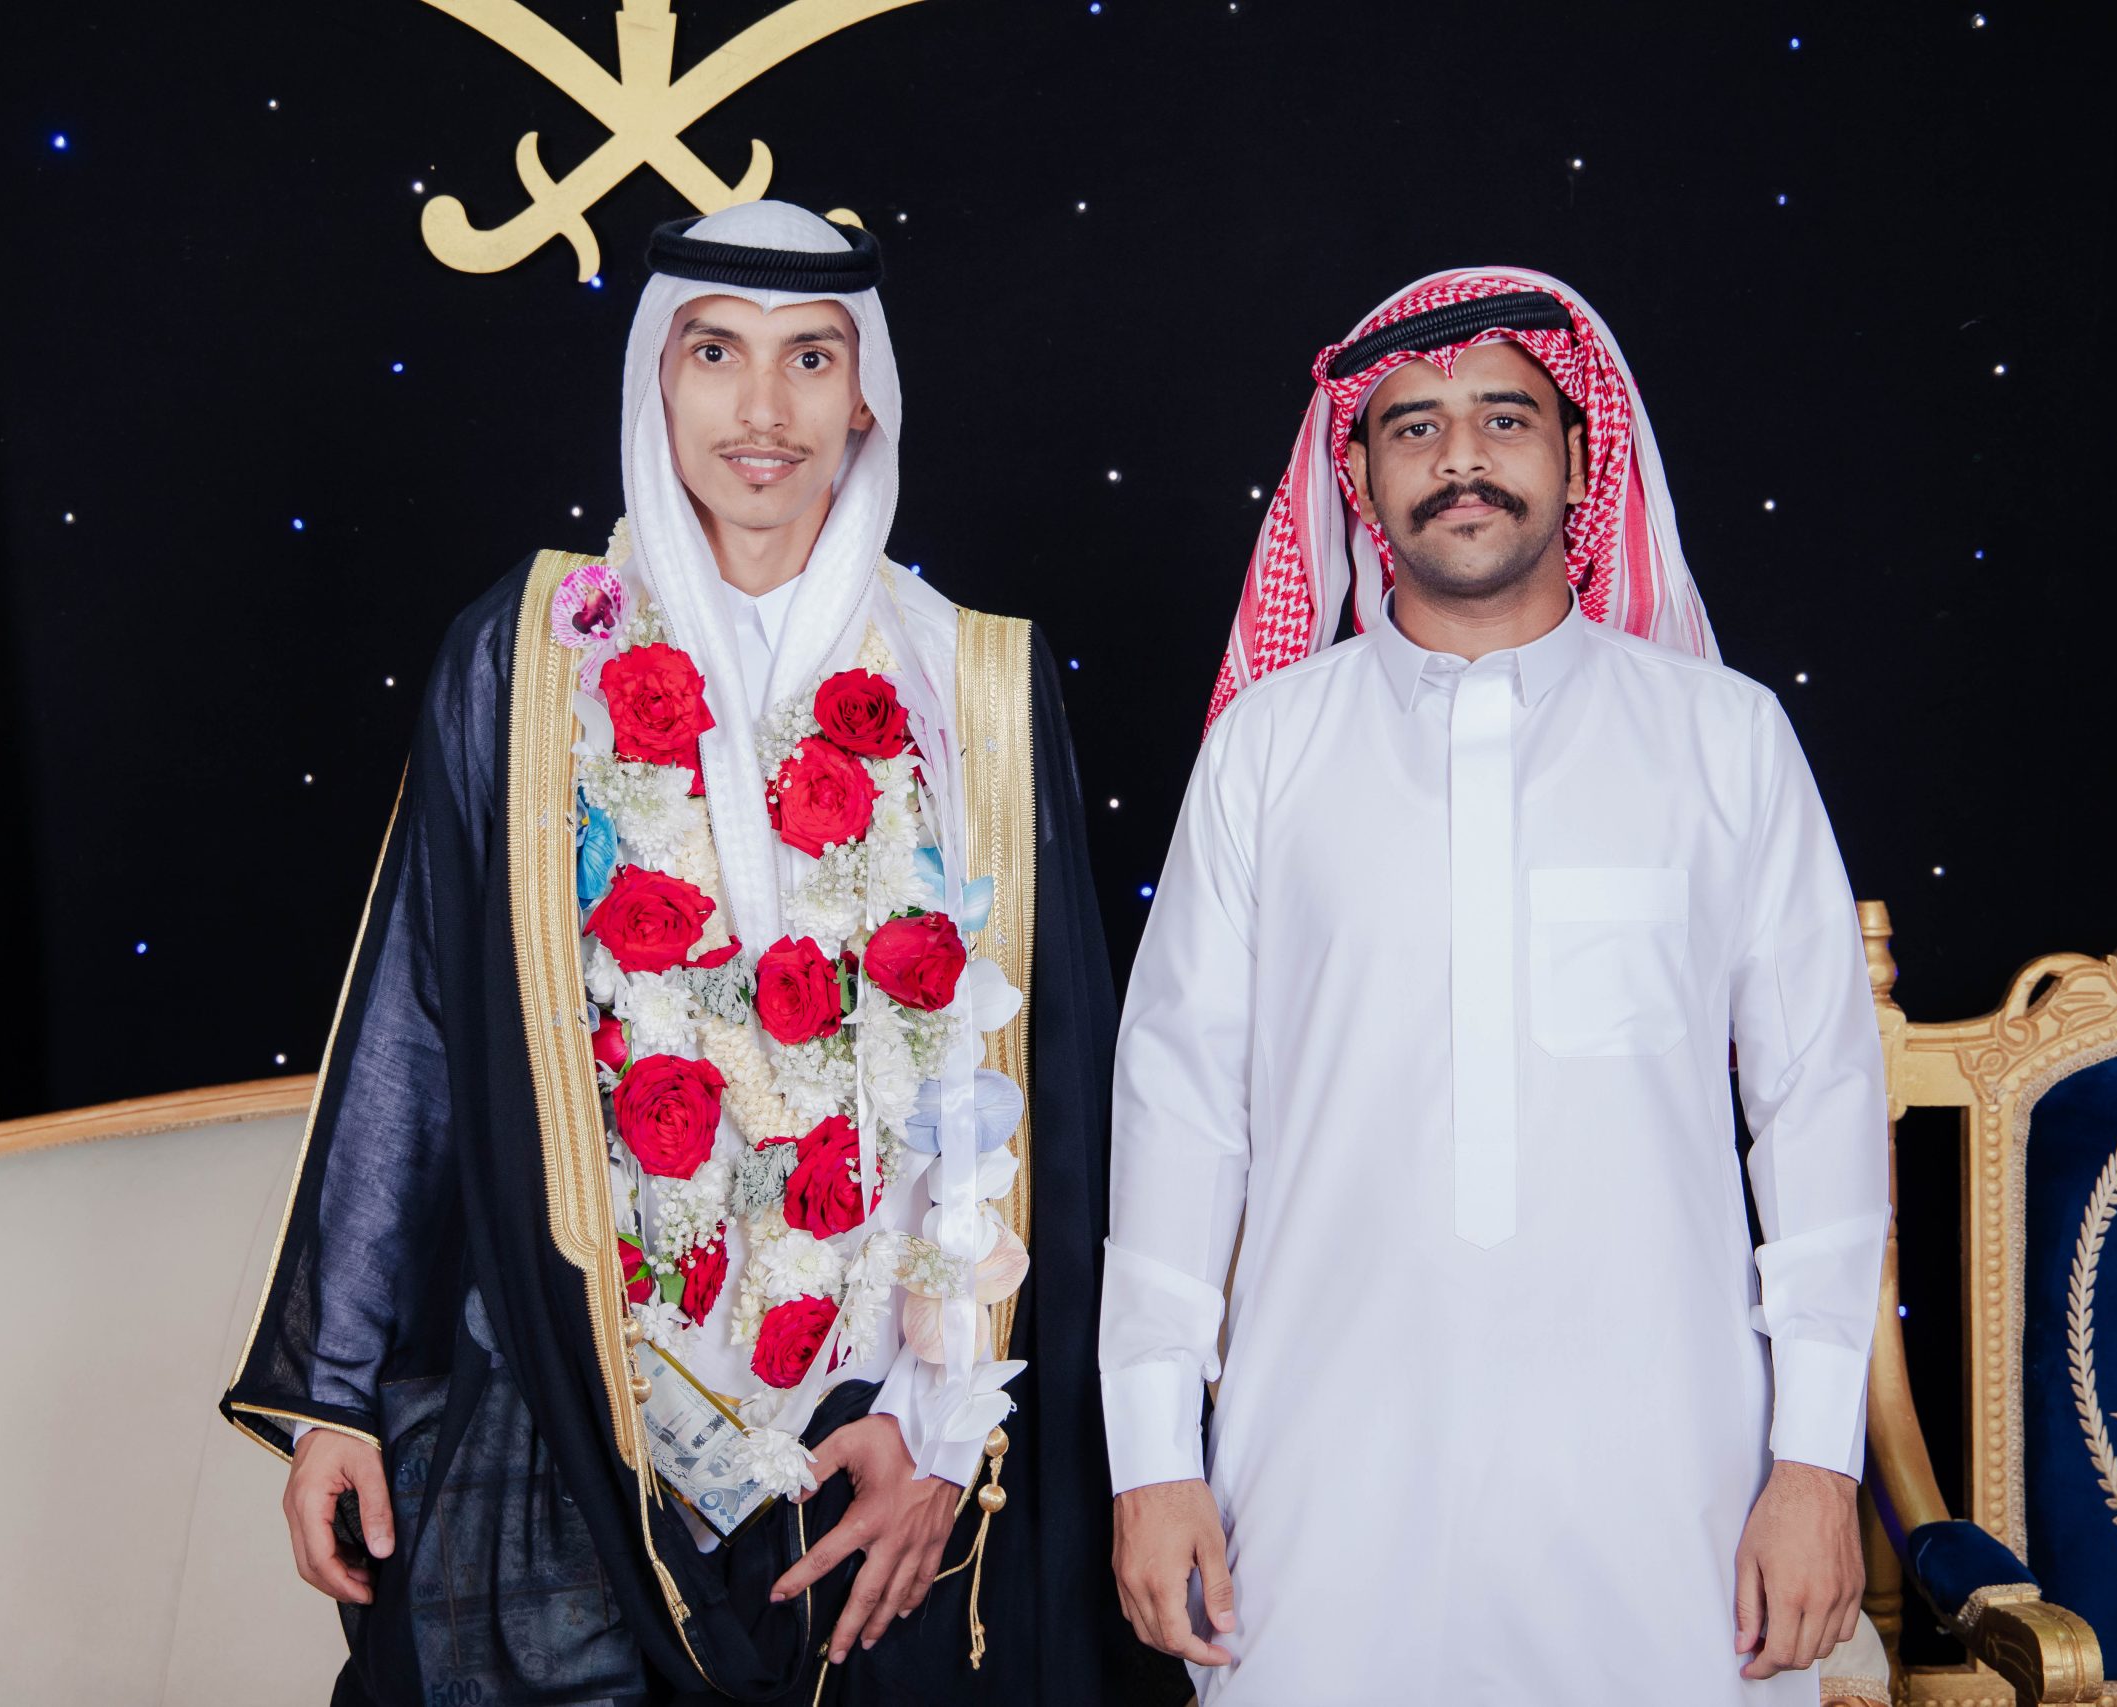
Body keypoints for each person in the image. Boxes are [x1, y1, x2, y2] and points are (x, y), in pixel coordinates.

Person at [223, 200, 1175, 1707]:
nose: (764, 410)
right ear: (652, 385)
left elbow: (1034, 1092)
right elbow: (419, 1022)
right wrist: (337, 1390)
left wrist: (941, 1429)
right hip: (573, 1389)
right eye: (715, 354)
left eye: (813, 358)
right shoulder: (531, 656)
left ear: (869, 396)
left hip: (881, 1420)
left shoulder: (969, 677)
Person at [1100, 269, 1892, 1704]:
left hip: (1671, 1485)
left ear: (1581, 459)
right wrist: (1153, 1460)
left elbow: (1820, 1110)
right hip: (1322, 1480)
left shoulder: (1724, 741)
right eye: (1414, 426)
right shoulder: (1269, 751)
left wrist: (1818, 1463)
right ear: (1358, 478)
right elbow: (1179, 1115)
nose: (1460, 458)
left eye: (1505, 418)